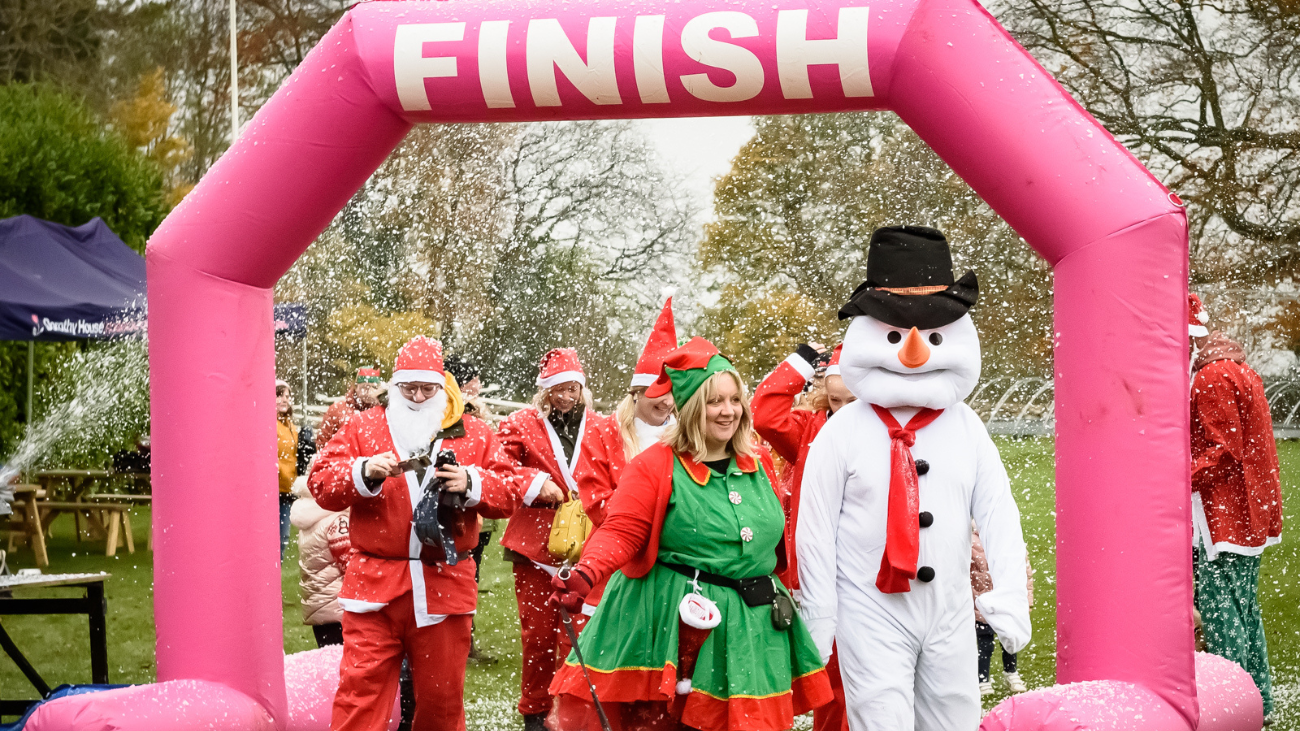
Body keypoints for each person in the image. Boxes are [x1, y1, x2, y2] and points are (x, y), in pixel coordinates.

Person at [797, 226, 1030, 730]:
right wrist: (819, 612)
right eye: (896, 335)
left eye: (934, 335)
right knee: (882, 718)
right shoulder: (842, 432)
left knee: (954, 719)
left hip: (949, 609)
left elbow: (997, 510)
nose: (914, 353)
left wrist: (1008, 594)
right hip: (870, 607)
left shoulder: (967, 427)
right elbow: (812, 529)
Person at [549, 337, 833, 731]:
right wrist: (585, 574)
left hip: (755, 624)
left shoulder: (759, 460)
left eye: (735, 400)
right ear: (690, 408)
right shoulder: (656, 464)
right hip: (680, 623)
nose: (728, 411)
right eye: (715, 401)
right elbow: (623, 529)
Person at [309, 336, 550, 731]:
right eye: (409, 388)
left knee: (441, 703)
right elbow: (321, 482)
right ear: (394, 386)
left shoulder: (473, 432)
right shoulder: (362, 427)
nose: (418, 397)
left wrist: (472, 483)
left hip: (444, 585)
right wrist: (363, 472)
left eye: (428, 388)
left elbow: (508, 489)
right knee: (359, 697)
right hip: (374, 584)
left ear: (443, 387)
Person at [496, 347, 621, 731]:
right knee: (537, 633)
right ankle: (534, 711)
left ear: (583, 389)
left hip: (588, 541)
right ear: (544, 392)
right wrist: (534, 483)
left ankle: (571, 710)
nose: (565, 397)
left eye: (572, 389)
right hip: (535, 542)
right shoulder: (521, 424)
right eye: (558, 390)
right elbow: (498, 466)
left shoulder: (604, 427)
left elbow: (620, 474)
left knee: (582, 632)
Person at [1188, 293, 1283, 719]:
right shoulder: (1239, 370)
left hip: (1221, 518)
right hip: (1248, 514)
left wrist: (1173, 480)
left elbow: (1223, 450)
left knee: (1220, 613)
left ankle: (1233, 706)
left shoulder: (1211, 377)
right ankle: (1259, 697)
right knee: (1244, 609)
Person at [751, 342, 854, 731]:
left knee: (867, 676)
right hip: (818, 573)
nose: (842, 411)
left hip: (872, 575)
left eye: (852, 401)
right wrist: (803, 358)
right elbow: (765, 412)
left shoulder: (886, 430)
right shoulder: (809, 430)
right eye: (835, 401)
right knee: (829, 677)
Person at [971, 525, 1033, 696]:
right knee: (985, 644)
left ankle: (1011, 673)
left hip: (1007, 603)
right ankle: (983, 679)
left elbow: (1025, 574)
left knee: (1010, 640)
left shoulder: (1012, 543)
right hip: (981, 605)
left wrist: (1026, 601)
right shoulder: (971, 544)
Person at [290, 478, 351, 648]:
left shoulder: (311, 517)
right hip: (341, 608)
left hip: (320, 608)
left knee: (330, 664)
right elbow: (351, 566)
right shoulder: (338, 520)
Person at [276, 380, 315, 557]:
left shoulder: (289, 426)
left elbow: (294, 457)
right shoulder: (267, 424)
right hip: (272, 492)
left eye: (287, 396)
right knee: (272, 541)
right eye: (279, 394)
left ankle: (274, 582)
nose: (284, 399)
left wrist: (306, 447)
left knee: (282, 540)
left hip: (286, 492)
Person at [317, 367, 385, 450]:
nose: (369, 392)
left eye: (374, 387)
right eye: (365, 387)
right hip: (343, 459)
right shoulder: (337, 410)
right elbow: (323, 442)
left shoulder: (382, 412)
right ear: (356, 387)